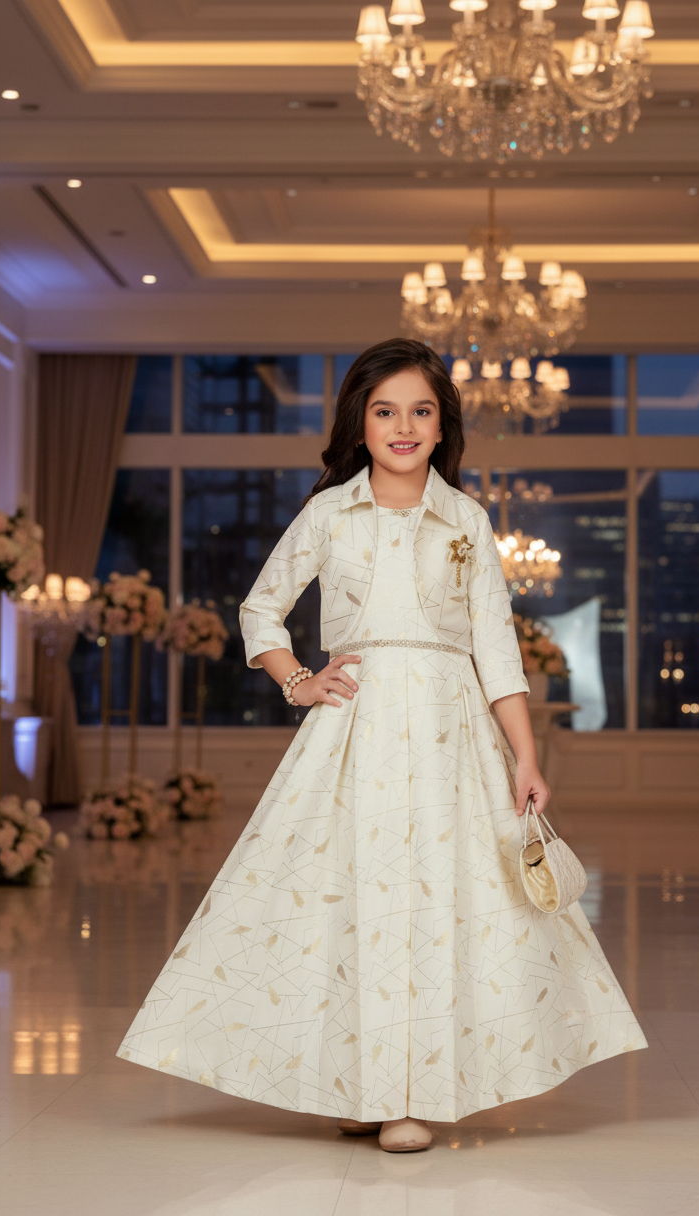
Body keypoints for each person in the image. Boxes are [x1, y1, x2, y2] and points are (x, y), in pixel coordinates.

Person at [118, 338, 646, 1153]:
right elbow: (260, 610)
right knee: (348, 901)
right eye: (386, 410)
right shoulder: (330, 513)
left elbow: (497, 650)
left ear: (442, 426)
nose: (404, 426)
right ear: (359, 423)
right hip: (353, 735)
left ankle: (409, 1099)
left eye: (421, 411)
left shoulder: (466, 520)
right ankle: (360, 1086)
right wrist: (299, 681)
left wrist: (526, 757)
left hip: (450, 737)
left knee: (434, 905)